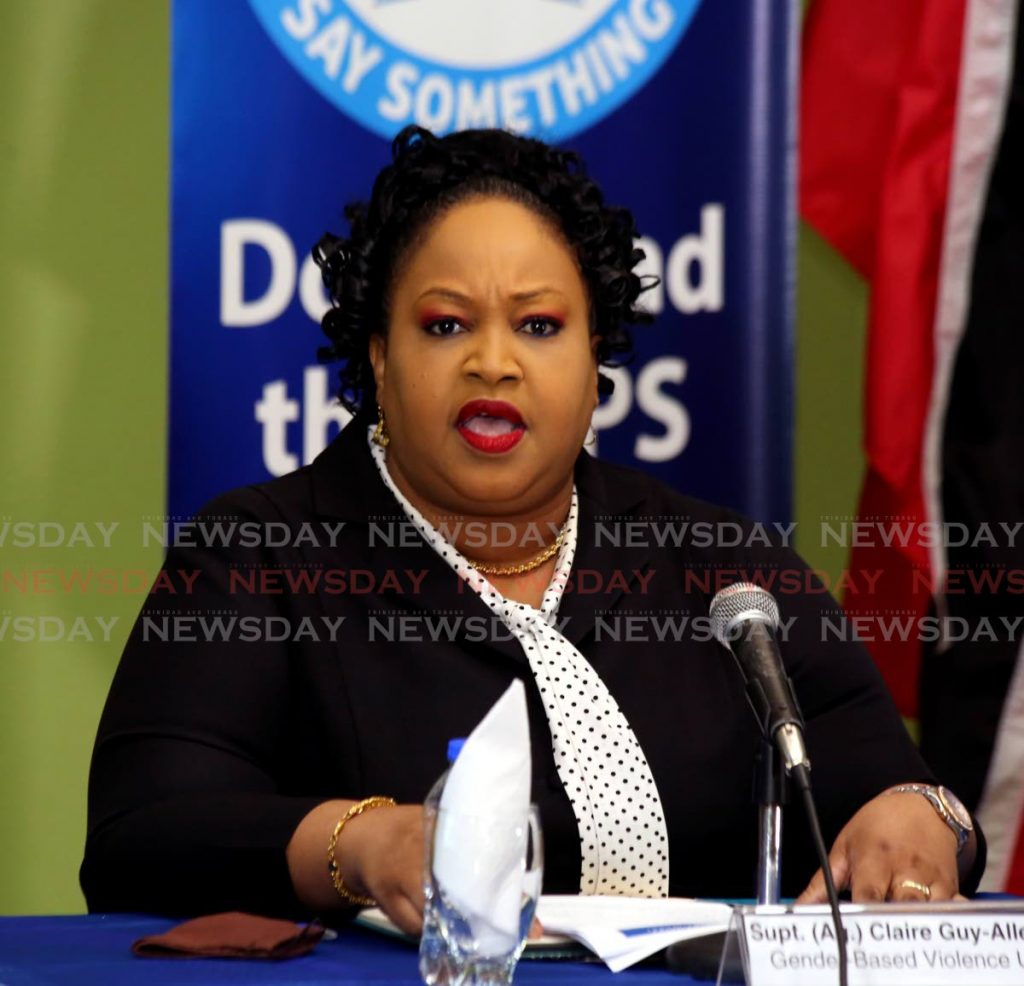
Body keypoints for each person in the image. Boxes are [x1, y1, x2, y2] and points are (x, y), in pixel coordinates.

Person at [82, 126, 984, 931]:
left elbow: (891, 793)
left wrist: (922, 819)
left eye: (540, 324)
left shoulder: (720, 566)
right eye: (445, 324)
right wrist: (356, 844)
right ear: (380, 356)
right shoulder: (260, 554)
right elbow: (141, 835)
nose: (493, 362)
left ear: (596, 360)